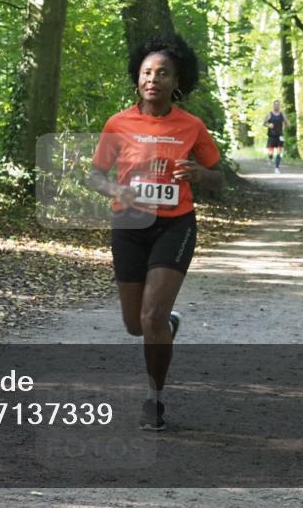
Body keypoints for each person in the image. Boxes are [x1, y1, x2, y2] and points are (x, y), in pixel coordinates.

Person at [87, 35, 222, 431]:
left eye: (163, 73)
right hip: (129, 225)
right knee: (135, 324)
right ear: (137, 79)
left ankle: (155, 399)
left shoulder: (191, 126)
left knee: (151, 316)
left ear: (176, 80)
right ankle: (166, 326)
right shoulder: (118, 123)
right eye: (147, 72)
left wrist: (200, 174)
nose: (153, 79)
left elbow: (219, 177)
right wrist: (116, 189)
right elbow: (96, 176)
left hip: (174, 224)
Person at [263, 100, 290, 174]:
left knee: (279, 152)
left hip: (280, 135)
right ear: (273, 106)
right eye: (275, 105)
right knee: (271, 152)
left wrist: (285, 124)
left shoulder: (282, 114)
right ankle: (270, 158)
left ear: (280, 106)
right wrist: (269, 125)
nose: (277, 106)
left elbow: (287, 123)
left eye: (278, 105)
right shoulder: (269, 114)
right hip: (271, 135)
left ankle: (277, 168)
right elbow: (264, 123)